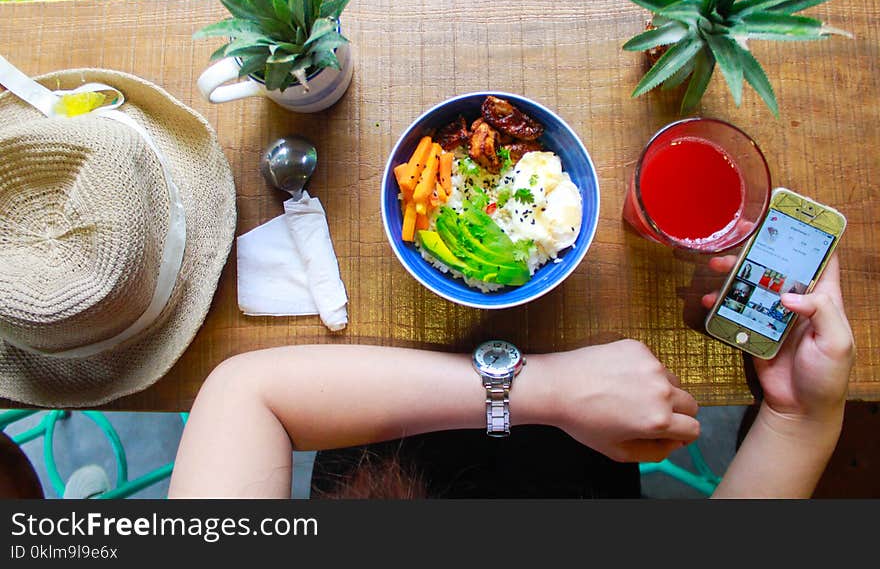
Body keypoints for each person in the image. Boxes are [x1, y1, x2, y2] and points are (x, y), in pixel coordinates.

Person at [169, 255, 854, 499]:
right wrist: (799, 417)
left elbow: (244, 395)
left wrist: (549, 390)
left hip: (371, 420)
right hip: (590, 460)